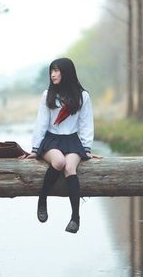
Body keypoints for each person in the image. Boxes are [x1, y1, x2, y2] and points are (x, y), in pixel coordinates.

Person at [27, 57, 100, 233]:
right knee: (59, 162)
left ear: (67, 72)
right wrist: (35, 149)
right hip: (51, 141)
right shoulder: (48, 95)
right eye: (52, 71)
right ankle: (42, 199)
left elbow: (85, 124)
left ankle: (75, 217)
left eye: (57, 70)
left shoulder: (83, 96)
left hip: (72, 141)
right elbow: (41, 123)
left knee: (70, 167)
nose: (53, 74)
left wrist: (86, 148)